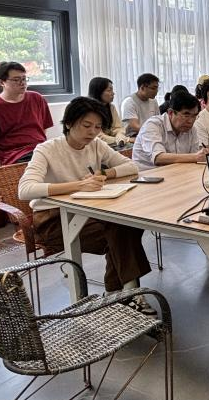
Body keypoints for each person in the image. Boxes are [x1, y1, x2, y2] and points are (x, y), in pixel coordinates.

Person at [17, 97, 154, 312]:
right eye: (86, 125)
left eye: (98, 127)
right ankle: (126, 293)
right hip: (53, 221)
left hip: (89, 211)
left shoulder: (96, 145)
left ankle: (122, 293)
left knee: (126, 225)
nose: (92, 132)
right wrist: (78, 185)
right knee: (120, 229)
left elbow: (132, 166)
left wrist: (104, 173)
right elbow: (25, 190)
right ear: (69, 123)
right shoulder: (47, 149)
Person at [0, 62, 53, 167]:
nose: (23, 83)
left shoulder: (37, 98)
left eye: (24, 79)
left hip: (41, 149)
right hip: (15, 157)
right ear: (1, 82)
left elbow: (42, 129)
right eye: (16, 80)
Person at [132, 91, 206, 170]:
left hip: (176, 172)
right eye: (186, 115)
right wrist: (195, 157)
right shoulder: (153, 125)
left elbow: (194, 159)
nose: (190, 121)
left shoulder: (191, 129)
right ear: (170, 113)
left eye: (194, 116)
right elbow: (158, 158)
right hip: (147, 174)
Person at [88, 77, 131, 146]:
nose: (113, 93)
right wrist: (124, 140)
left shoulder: (111, 107)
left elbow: (118, 128)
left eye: (112, 90)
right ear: (98, 92)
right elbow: (98, 136)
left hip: (111, 143)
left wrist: (120, 138)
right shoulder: (89, 109)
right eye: (109, 90)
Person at [121, 73, 160, 138]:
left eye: (157, 88)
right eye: (153, 88)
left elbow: (157, 121)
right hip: (134, 136)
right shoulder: (129, 102)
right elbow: (135, 126)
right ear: (142, 88)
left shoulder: (153, 101)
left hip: (150, 134)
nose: (156, 91)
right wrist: (152, 132)